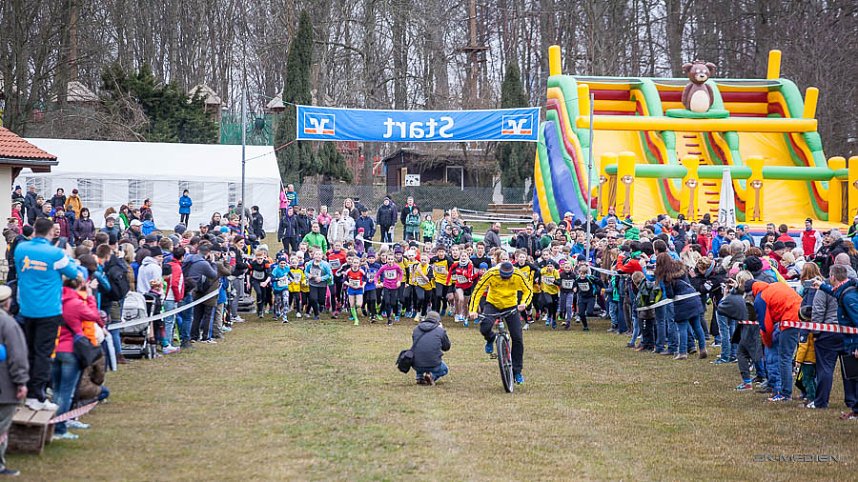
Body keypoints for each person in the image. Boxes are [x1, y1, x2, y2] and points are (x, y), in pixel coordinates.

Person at [16, 218, 82, 411]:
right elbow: (73, 273)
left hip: (26, 308)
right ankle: (37, 395)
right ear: (51, 232)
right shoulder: (55, 253)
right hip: (48, 311)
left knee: (29, 351)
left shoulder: (21, 248)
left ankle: (28, 390)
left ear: (35, 230)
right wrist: (68, 255)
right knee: (44, 354)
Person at [53, 275, 101, 440]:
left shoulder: (55, 299)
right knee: (67, 391)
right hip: (71, 350)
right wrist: (90, 297)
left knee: (57, 391)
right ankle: (59, 427)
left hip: (55, 348)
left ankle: (59, 422)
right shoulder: (76, 303)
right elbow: (95, 316)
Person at [469, 261, 533, 385]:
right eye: (503, 276)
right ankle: (490, 338)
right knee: (485, 327)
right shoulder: (491, 273)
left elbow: (528, 290)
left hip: (511, 306)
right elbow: (478, 291)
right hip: (493, 303)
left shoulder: (518, 275)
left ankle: (517, 371)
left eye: (507, 277)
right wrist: (472, 310)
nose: (504, 279)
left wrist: (524, 303)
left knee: (517, 337)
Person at [748, 277, 802, 402]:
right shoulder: (774, 287)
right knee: (788, 357)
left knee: (784, 358)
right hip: (799, 314)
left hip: (790, 320)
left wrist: (767, 342)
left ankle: (785, 393)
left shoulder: (760, 299)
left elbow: (766, 326)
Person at [814, 264, 858, 418]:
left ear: (833, 276)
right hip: (845, 337)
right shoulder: (845, 290)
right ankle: (853, 405)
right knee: (851, 370)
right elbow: (836, 293)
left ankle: (823, 401)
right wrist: (822, 286)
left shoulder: (848, 296)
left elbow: (857, 320)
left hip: (846, 338)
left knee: (832, 369)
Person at [0, 285, 28, 475]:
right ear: (8, 303)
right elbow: (17, 355)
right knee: (2, 426)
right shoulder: (8, 324)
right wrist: (21, 381)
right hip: (4, 385)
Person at [411, 311, 451, 386]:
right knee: (444, 369)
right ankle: (431, 376)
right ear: (438, 321)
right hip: (433, 363)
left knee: (420, 352)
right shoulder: (440, 330)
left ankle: (419, 376)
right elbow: (446, 347)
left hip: (416, 364)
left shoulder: (416, 329)